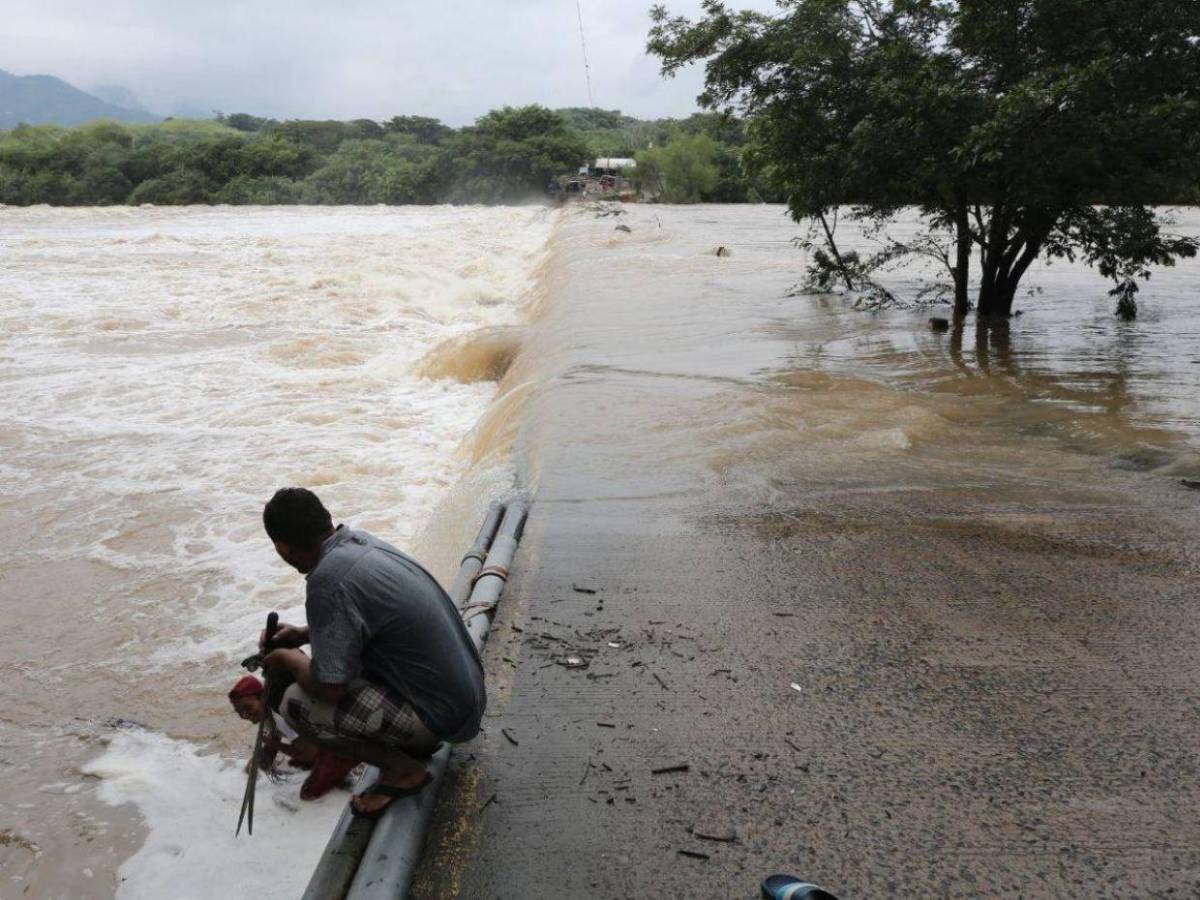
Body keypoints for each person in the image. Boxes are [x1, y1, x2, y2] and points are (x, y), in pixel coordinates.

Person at [256, 487, 486, 819]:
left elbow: (331, 688)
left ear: (282, 548)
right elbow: (366, 621)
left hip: (443, 717)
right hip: (464, 698)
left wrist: (288, 659)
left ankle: (404, 770)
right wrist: (304, 634)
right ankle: (409, 742)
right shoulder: (357, 542)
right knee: (335, 671)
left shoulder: (327, 580)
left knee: (296, 701)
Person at [227, 675, 357, 800]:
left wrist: (272, 743)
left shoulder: (279, 716)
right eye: (240, 713)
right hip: (324, 739)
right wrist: (258, 762)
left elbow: (308, 754)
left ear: (262, 697)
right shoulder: (267, 712)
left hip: (342, 741)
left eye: (247, 708)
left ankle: (344, 773)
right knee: (294, 764)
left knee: (308, 794)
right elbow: (271, 746)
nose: (245, 715)